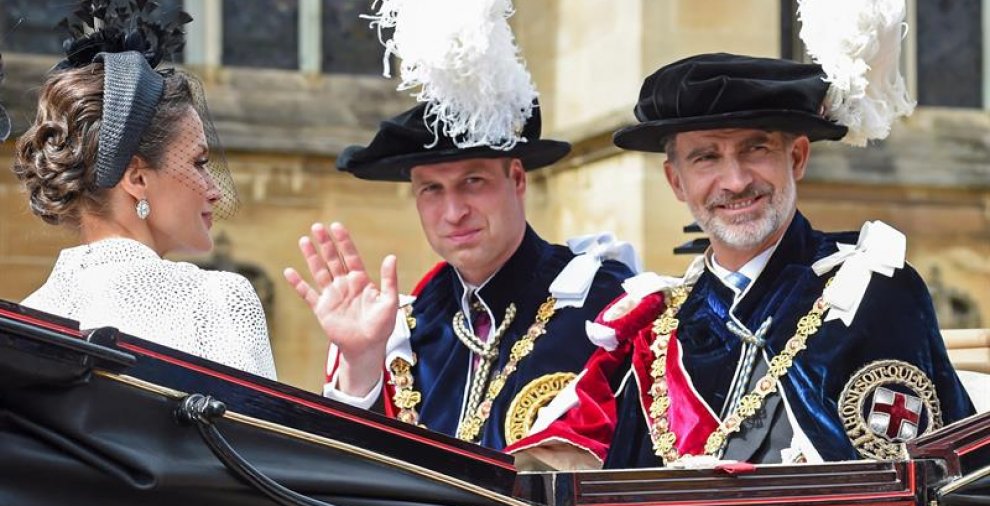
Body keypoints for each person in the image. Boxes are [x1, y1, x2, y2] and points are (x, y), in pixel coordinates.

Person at [507, 53, 975, 469]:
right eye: (706, 157)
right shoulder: (655, 330)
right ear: (677, 182)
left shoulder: (872, 294)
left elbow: (914, 492)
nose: (734, 181)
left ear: (796, 158)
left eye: (755, 149)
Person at [284, 101, 637, 450]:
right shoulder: (408, 329)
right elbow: (356, 484)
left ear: (516, 178)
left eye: (473, 181)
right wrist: (360, 362)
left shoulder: (606, 304)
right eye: (432, 189)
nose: (454, 213)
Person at [13, 2, 276, 380]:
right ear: (136, 178)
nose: (215, 191)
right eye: (198, 163)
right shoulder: (217, 300)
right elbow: (262, 439)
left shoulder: (31, 318)